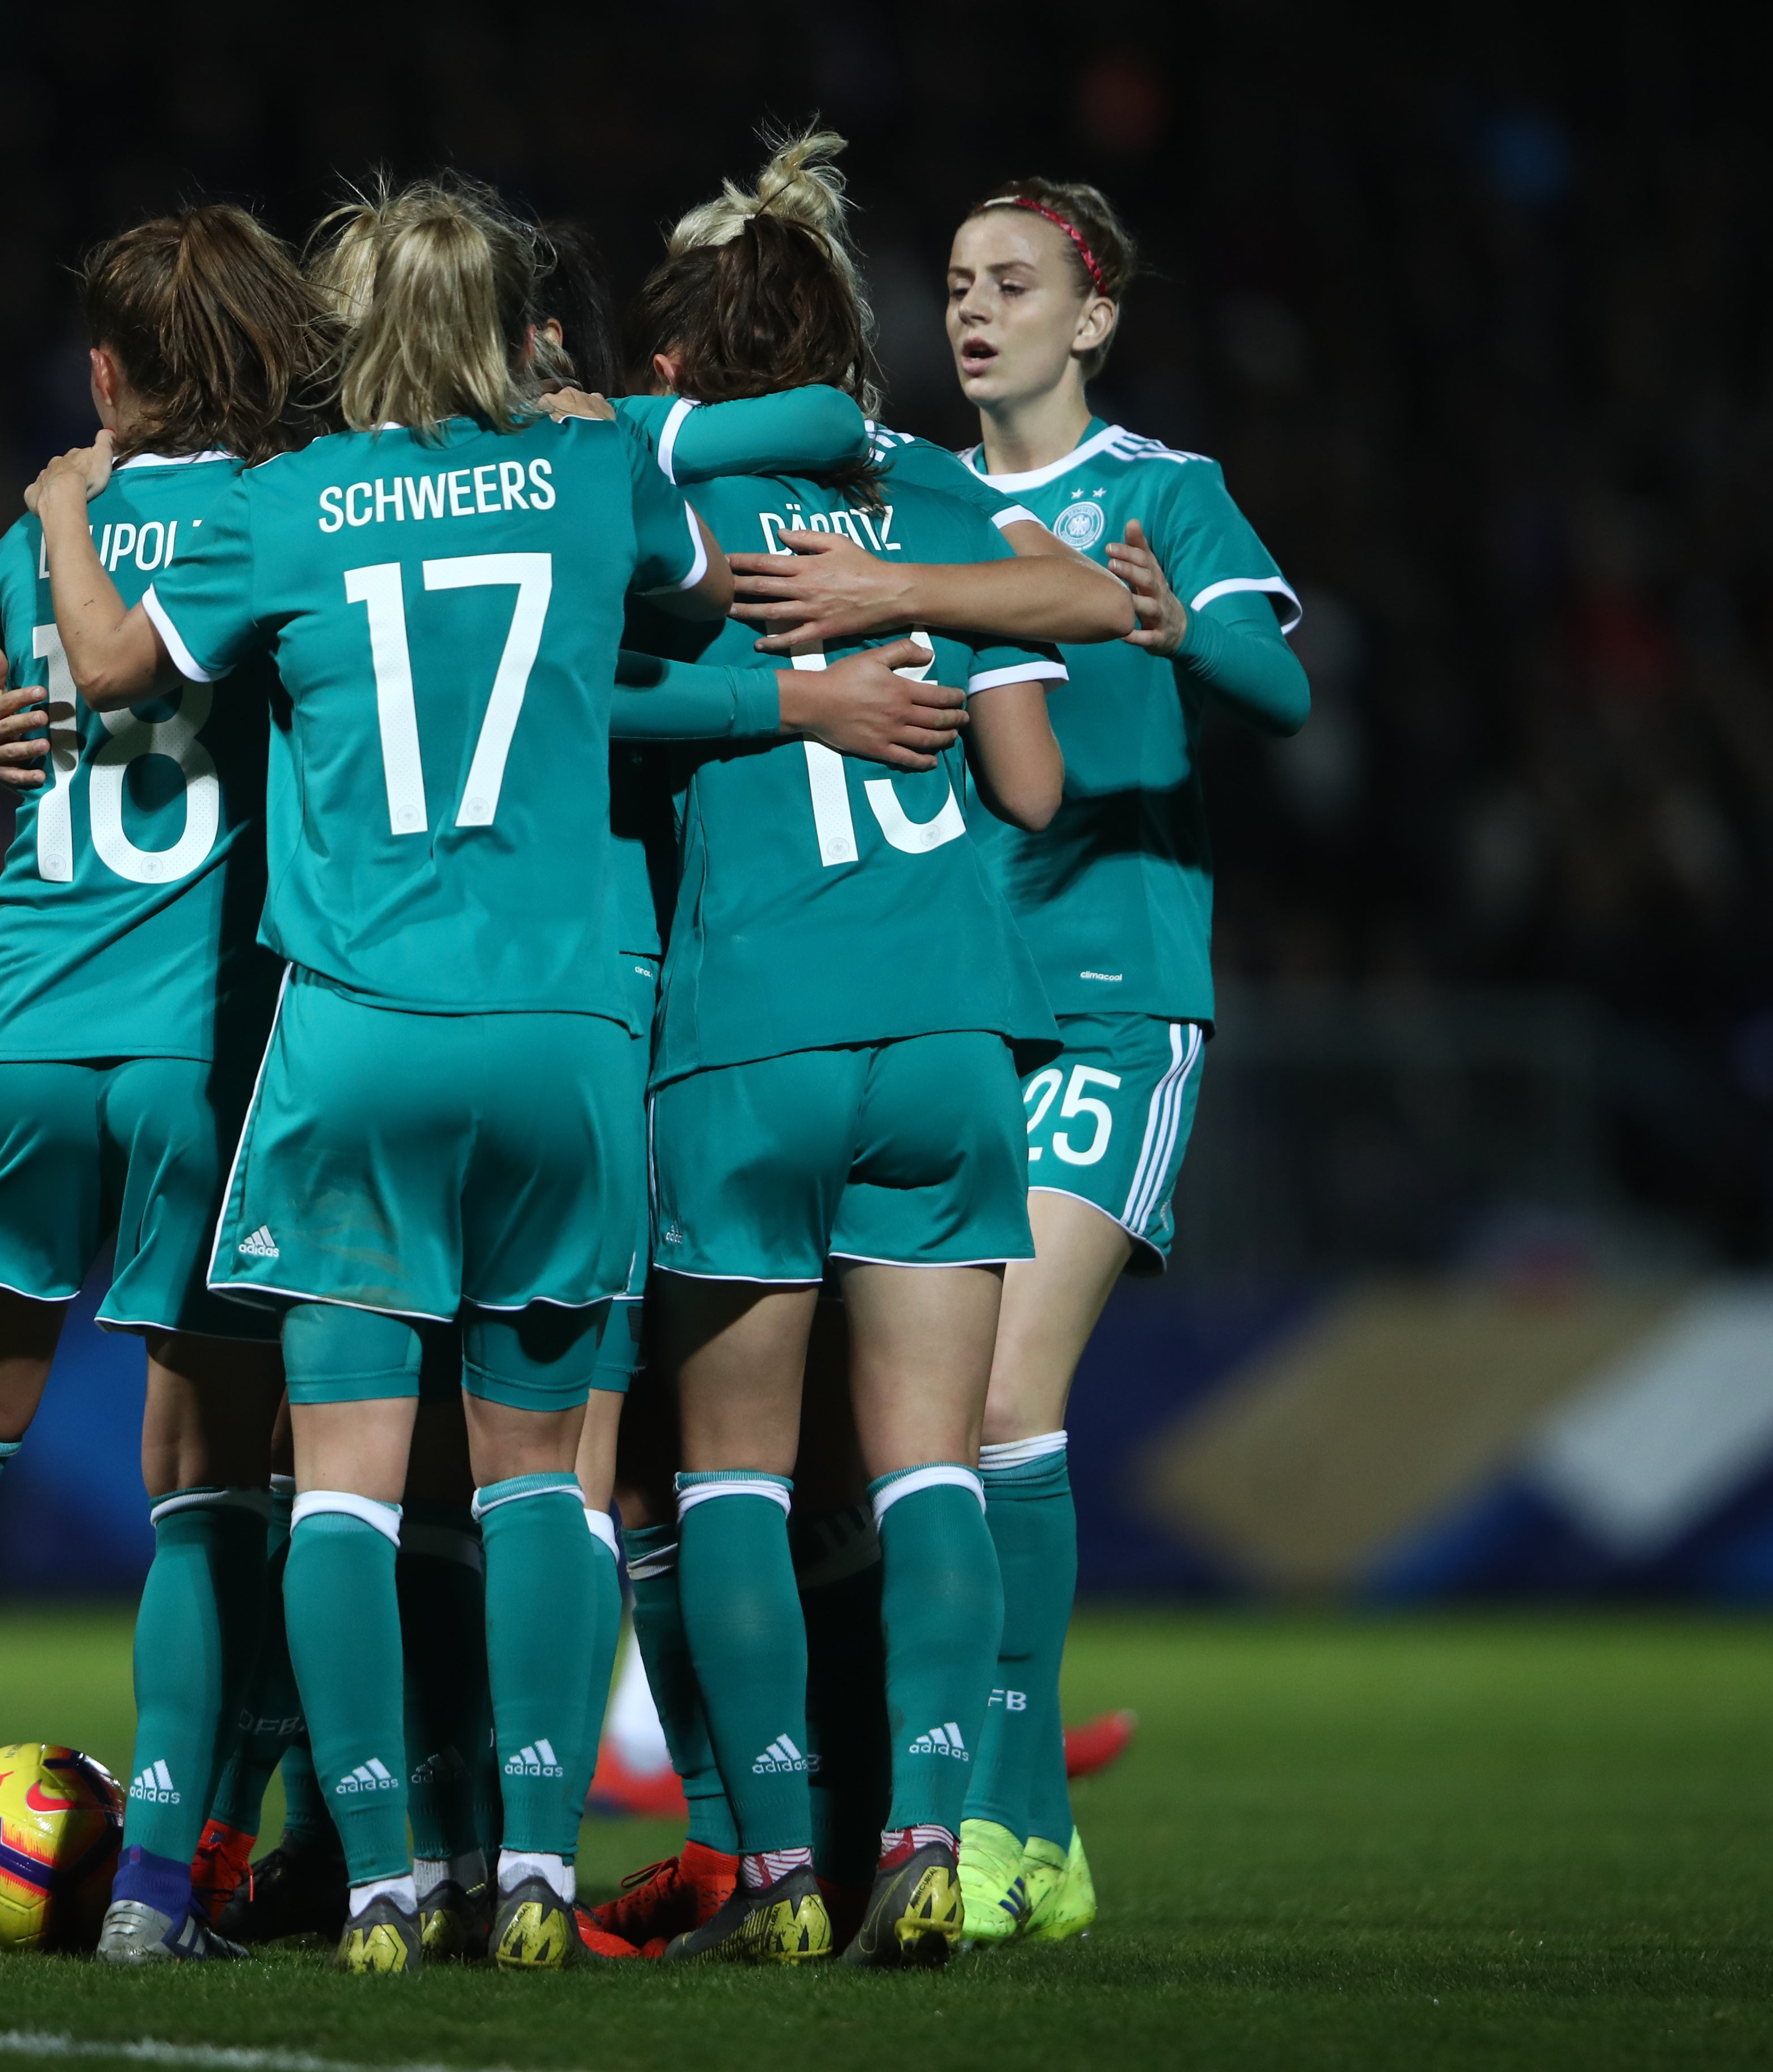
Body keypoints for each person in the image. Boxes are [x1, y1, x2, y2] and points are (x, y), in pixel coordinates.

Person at [43, 172, 734, 1975]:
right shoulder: (592, 469)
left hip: (354, 1031)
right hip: (560, 1035)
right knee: (539, 1480)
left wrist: (59, 512)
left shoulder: (287, 501)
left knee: (341, 1485)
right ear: (509, 324)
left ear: (345, 332)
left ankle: (374, 1882)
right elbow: (703, 597)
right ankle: (534, 1869)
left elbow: (109, 668)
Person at [0, 206, 329, 1967]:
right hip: (196, 1046)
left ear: (107, 373)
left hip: (21, 1023)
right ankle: (160, 1884)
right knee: (211, 1478)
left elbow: (14, 719)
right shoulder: (280, 520)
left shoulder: (41, 538)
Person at [608, 131, 1073, 1967]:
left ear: (683, 356)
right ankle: (931, 1836)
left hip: (750, 1027)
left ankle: (780, 1875)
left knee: (726, 1475)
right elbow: (1033, 770)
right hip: (950, 1022)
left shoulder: (659, 487)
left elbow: (579, 698)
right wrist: (918, 603)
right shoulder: (936, 489)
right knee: (930, 1468)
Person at [942, 179, 1310, 1945]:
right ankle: (1011, 1829)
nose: (974, 309)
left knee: (1006, 1402)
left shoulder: (1164, 492)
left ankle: (1008, 1827)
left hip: (1111, 992)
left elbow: (1284, 690)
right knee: (937, 1426)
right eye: (957, 282)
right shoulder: (921, 497)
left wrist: (1175, 628)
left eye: (1013, 283)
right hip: (952, 998)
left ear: (1093, 317)